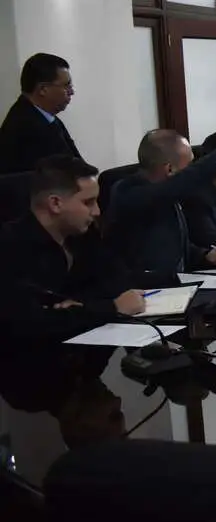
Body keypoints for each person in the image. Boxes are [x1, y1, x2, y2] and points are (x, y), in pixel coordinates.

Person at [0, 156, 147, 431]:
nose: (98, 212)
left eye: (113, 416)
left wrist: (78, 308)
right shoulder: (9, 248)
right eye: (88, 202)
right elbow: (28, 326)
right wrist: (109, 308)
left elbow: (118, 278)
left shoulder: (81, 235)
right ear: (55, 203)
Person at [108, 108, 216, 275]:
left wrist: (207, 255)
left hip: (183, 286)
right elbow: (188, 179)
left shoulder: (171, 193)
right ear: (169, 169)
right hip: (147, 292)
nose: (193, 170)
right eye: (190, 165)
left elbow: (175, 248)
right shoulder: (129, 193)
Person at [0, 53, 80, 174]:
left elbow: (78, 164)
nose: (71, 92)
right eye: (66, 86)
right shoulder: (25, 126)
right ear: (43, 89)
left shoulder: (45, 116)